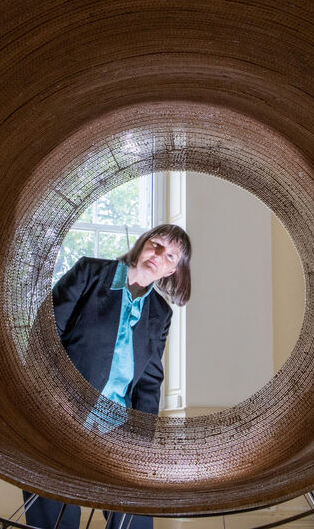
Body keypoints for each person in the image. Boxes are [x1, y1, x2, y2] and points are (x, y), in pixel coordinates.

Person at [23, 224, 192, 529]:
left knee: (134, 517)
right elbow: (44, 336)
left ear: (172, 271)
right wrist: (48, 401)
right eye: (156, 244)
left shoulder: (160, 313)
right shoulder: (90, 273)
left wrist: (141, 444)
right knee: (57, 518)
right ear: (142, 244)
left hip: (117, 428)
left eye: (170, 255)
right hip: (61, 416)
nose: (158, 255)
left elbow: (149, 383)